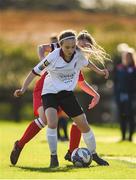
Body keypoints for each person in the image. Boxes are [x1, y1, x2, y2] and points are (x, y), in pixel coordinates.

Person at [12, 29, 110, 168]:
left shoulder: (78, 58)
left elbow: (82, 79)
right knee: (48, 121)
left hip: (65, 93)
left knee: (80, 122)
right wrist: (24, 87)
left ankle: (79, 153)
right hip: (46, 90)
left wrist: (99, 79)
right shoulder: (55, 53)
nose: (83, 49)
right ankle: (23, 146)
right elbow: (38, 58)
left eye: (87, 47)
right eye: (83, 45)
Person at [114, 43, 136, 141]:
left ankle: (130, 137)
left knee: (130, 116)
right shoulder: (119, 68)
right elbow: (115, 82)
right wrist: (116, 95)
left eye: (128, 57)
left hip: (131, 96)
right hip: (120, 96)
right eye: (125, 57)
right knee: (122, 116)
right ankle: (123, 137)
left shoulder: (134, 69)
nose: (126, 58)